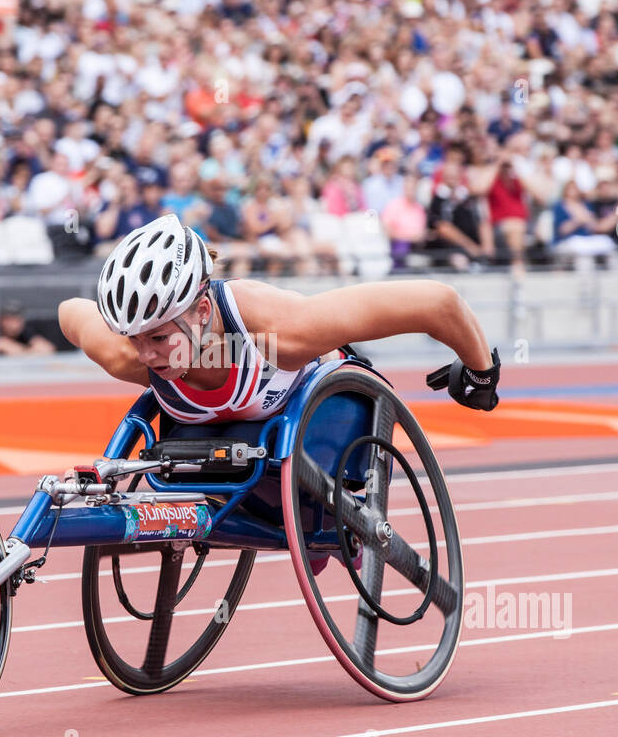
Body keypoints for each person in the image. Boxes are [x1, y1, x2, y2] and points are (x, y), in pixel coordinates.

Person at [57, 213, 499, 570]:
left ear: (203, 311)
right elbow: (69, 312)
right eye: (135, 338)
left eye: (158, 338)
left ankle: (329, 528)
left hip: (325, 433)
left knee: (315, 541)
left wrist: (480, 373)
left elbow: (437, 302)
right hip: (241, 463)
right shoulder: (129, 355)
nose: (146, 355)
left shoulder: (279, 334)